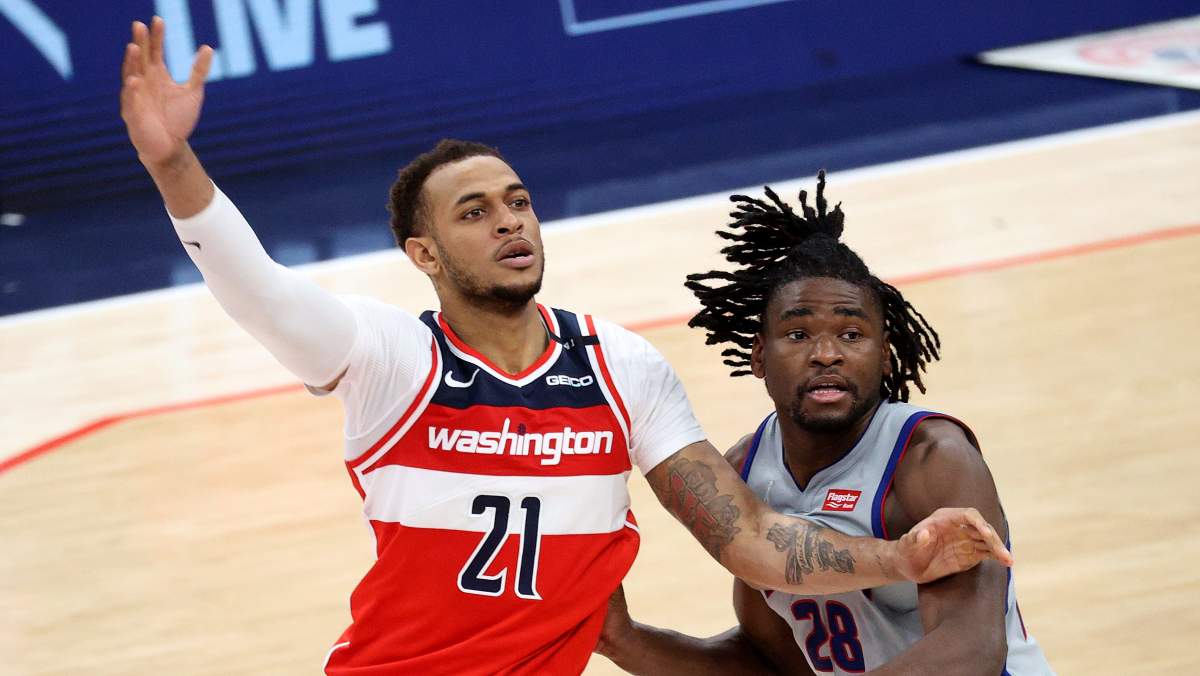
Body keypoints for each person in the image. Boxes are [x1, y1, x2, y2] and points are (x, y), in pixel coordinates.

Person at [119, 17, 1012, 675]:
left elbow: (748, 537)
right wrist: (173, 166)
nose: (510, 222)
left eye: (518, 202)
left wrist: (898, 559)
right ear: (423, 255)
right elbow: (259, 290)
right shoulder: (391, 357)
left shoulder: (621, 367)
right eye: (475, 213)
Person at [594, 174, 1054, 674]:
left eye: (852, 333)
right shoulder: (746, 471)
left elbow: (971, 651)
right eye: (798, 334)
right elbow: (772, 663)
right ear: (759, 356)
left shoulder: (931, 458)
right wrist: (622, 640)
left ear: (884, 356)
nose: (827, 354)